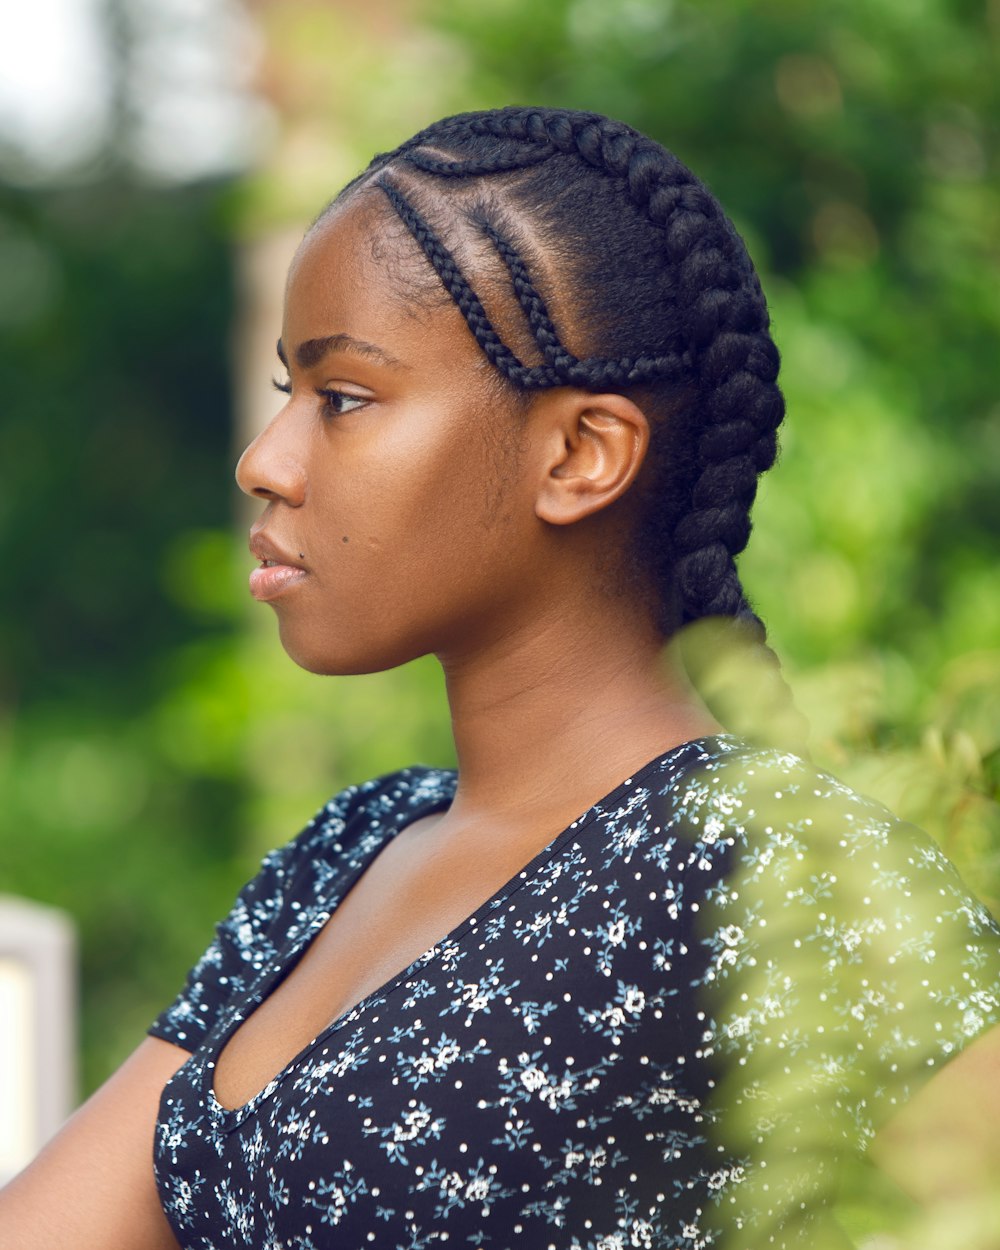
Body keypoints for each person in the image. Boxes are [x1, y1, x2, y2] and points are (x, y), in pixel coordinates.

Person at [3, 106, 999, 1250]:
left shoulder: (778, 872)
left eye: (343, 399)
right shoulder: (348, 850)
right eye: (288, 392)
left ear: (580, 454)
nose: (265, 461)